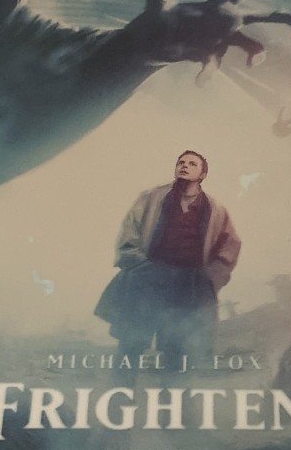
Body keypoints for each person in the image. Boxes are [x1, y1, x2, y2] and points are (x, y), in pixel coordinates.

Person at [95, 151, 241, 371]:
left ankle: (172, 390)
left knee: (177, 350)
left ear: (203, 174)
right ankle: (120, 390)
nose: (184, 166)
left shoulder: (216, 210)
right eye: (181, 162)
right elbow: (128, 236)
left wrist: (208, 278)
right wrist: (140, 266)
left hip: (188, 286)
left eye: (192, 164)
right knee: (131, 344)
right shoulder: (150, 199)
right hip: (146, 280)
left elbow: (229, 247)